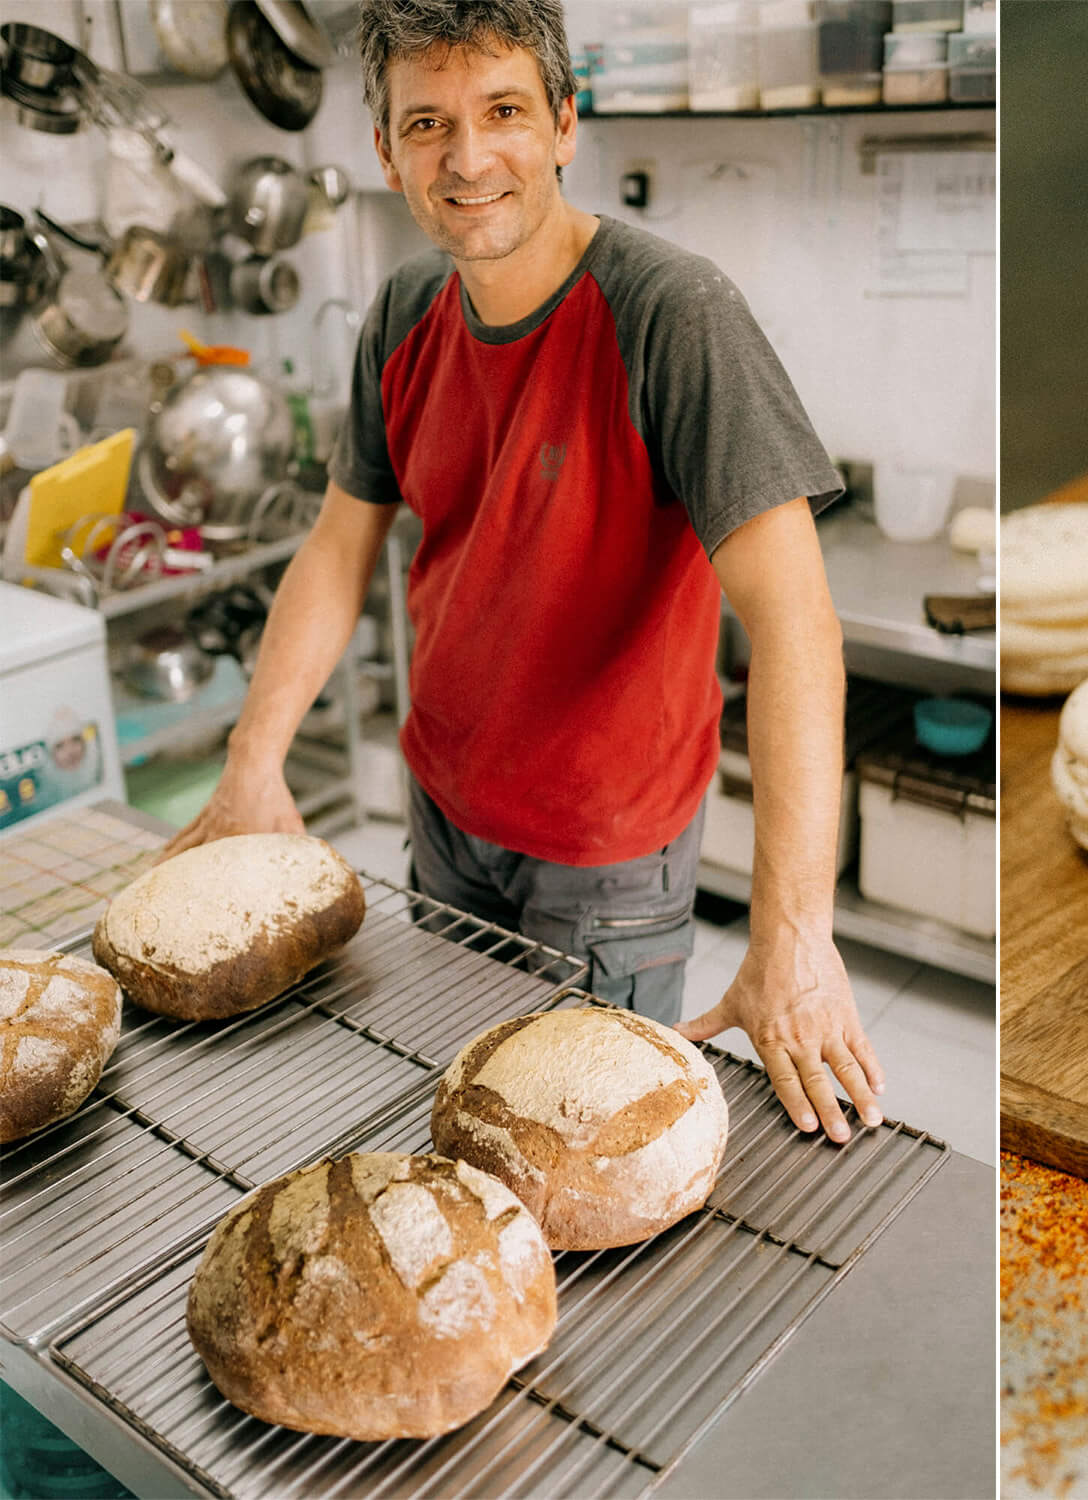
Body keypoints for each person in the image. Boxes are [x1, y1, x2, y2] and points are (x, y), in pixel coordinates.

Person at [164, 0, 883, 1143]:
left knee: (583, 1163)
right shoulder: (402, 313)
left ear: (562, 124)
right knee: (466, 1119)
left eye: (502, 111)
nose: (467, 157)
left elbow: (797, 626)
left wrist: (792, 935)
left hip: (604, 856)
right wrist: (254, 761)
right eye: (428, 123)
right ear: (384, 148)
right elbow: (339, 542)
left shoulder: (671, 312)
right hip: (445, 812)